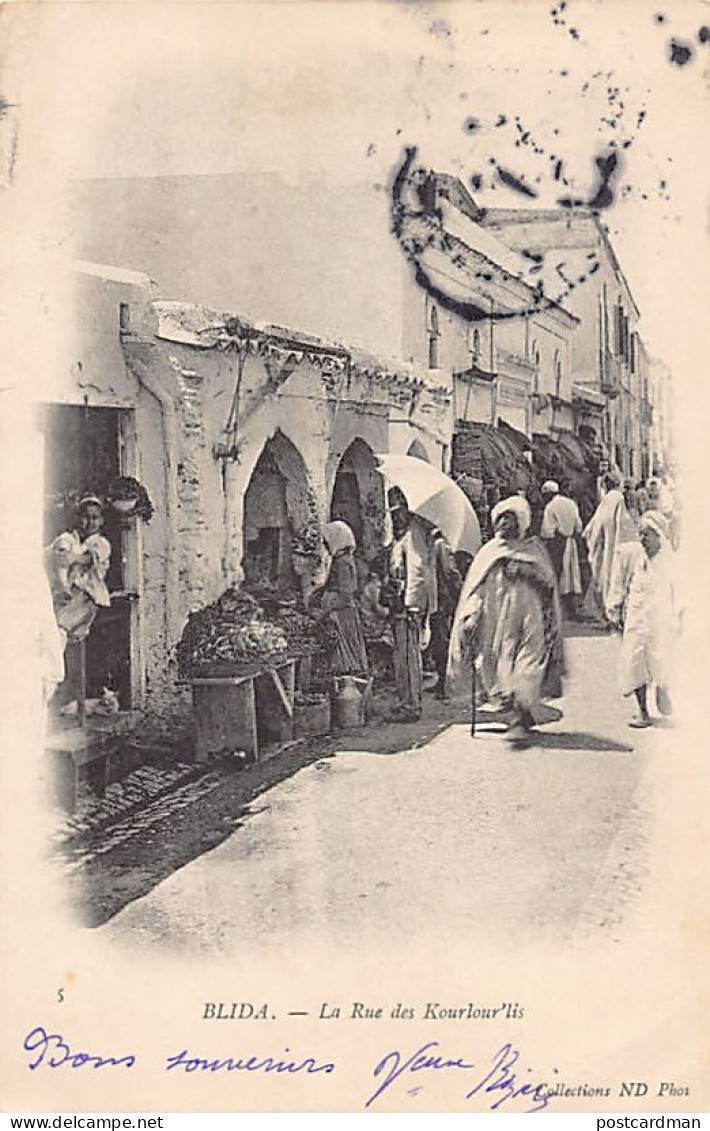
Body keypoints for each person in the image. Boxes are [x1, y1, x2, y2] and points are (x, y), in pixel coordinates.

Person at [448, 495, 564, 747]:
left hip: (530, 620)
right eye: (499, 518)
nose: (502, 524)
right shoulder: (489, 552)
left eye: (509, 518)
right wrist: (471, 614)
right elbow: (476, 588)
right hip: (496, 622)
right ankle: (518, 713)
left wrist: (526, 571)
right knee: (496, 667)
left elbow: (548, 584)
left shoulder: (533, 550)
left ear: (520, 522)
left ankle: (519, 720)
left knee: (527, 666)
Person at [606, 511, 680, 728]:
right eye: (640, 535)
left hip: (661, 620)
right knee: (634, 661)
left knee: (662, 661)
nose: (643, 539)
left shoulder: (670, 562)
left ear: (659, 536)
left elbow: (682, 594)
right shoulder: (635, 557)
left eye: (647, 535)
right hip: (637, 618)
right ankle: (642, 711)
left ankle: (663, 687)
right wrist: (615, 608)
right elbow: (620, 584)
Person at [383, 488, 437, 722]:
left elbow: (416, 572)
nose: (395, 517)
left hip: (408, 606)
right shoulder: (404, 534)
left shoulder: (414, 535)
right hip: (402, 603)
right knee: (403, 656)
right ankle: (407, 700)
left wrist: (413, 606)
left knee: (407, 657)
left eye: (398, 511)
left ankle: (411, 705)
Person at [45, 495, 112, 650]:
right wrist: (57, 554)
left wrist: (73, 558)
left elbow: (89, 558)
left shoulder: (101, 543)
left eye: (94, 518)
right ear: (78, 518)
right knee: (52, 630)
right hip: (65, 594)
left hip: (86, 596)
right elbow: (51, 552)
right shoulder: (69, 538)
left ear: (102, 521)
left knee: (59, 629)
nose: (89, 522)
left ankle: (54, 670)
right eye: (85, 517)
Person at [583, 474, 636, 616]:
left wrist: (591, 536)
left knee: (605, 575)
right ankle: (612, 611)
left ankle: (606, 611)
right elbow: (623, 521)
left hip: (605, 544)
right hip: (615, 543)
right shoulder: (617, 497)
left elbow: (597, 522)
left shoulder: (609, 499)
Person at [320, 521, 369, 677]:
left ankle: (349, 688)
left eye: (327, 542)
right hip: (343, 609)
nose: (326, 546)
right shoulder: (345, 560)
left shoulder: (342, 563)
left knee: (345, 654)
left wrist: (329, 607)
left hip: (342, 613)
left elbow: (345, 591)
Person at [427, 527, 463, 700]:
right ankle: (442, 681)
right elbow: (450, 572)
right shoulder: (441, 544)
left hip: (440, 599)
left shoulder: (435, 544)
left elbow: (449, 572)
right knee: (441, 641)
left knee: (441, 641)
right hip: (442, 599)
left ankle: (443, 682)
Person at [540, 480, 582, 619]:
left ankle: (557, 609)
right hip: (571, 541)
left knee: (556, 574)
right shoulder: (571, 503)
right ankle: (571, 608)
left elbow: (547, 530)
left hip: (557, 543)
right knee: (571, 574)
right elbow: (578, 526)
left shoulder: (550, 507)